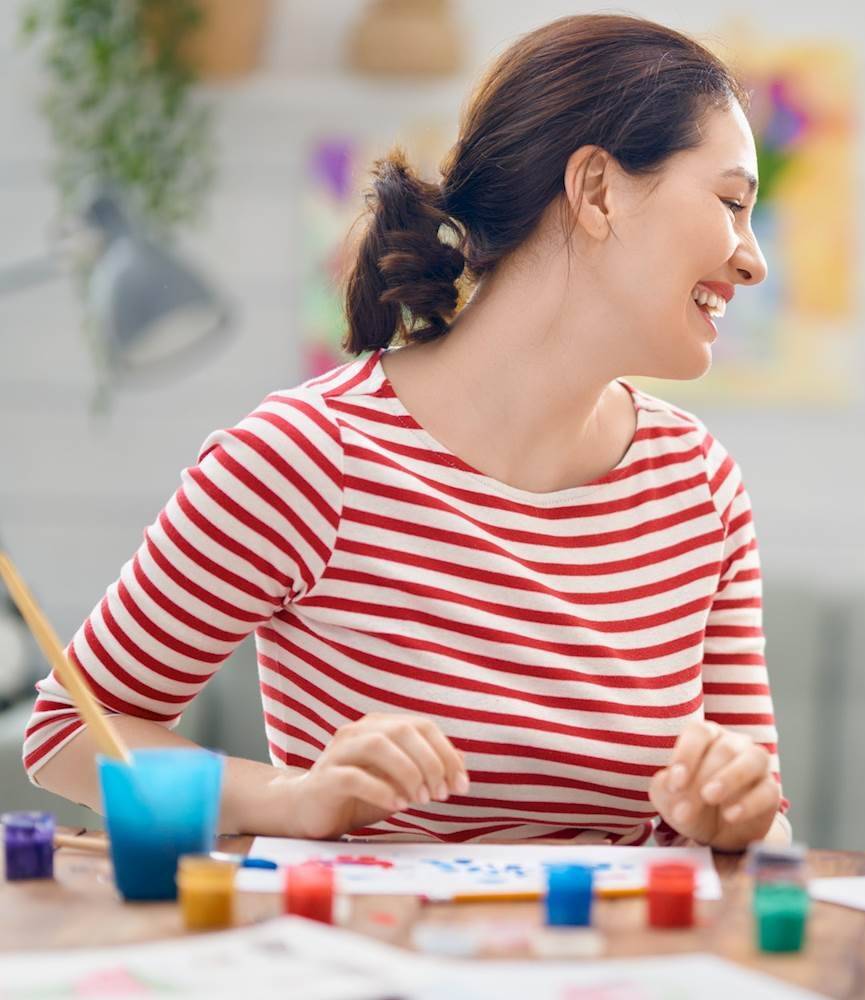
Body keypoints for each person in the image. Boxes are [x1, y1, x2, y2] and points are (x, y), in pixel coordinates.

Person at [25, 14, 788, 850]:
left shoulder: (698, 485)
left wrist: (738, 819)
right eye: (731, 203)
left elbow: (768, 830)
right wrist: (294, 798)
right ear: (598, 191)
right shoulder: (308, 459)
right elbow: (69, 733)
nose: (753, 260)